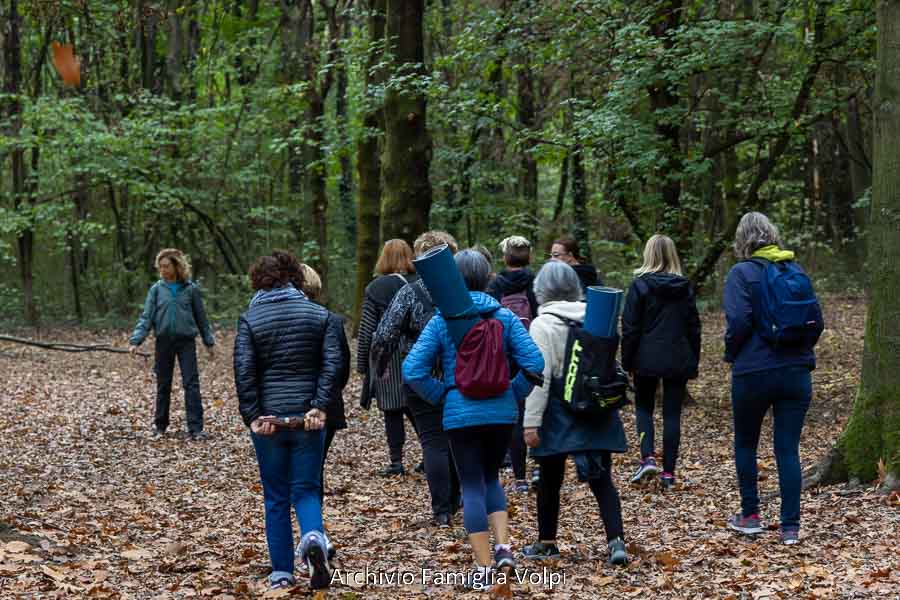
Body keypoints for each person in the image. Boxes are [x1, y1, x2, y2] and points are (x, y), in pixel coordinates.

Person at [403, 250, 544, 588]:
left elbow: (412, 370)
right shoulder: (505, 317)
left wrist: (443, 394)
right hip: (501, 413)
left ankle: (483, 569)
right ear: (487, 277)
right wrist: (513, 390)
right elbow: (536, 363)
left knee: (470, 485)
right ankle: (504, 549)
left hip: (460, 414)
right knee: (491, 478)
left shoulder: (442, 321)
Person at [234, 255, 343, 590]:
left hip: (270, 422)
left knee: (276, 496)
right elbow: (334, 364)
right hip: (308, 419)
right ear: (295, 278)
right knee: (307, 490)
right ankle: (313, 539)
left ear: (258, 281)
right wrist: (320, 407)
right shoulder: (321, 315)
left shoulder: (250, 319)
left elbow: (244, 371)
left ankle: (282, 571)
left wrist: (253, 416)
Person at [723, 212, 823, 545]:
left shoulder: (741, 273)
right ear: (771, 235)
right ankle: (790, 527)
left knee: (746, 443)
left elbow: (738, 322)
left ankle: (750, 515)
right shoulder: (794, 269)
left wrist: (731, 353)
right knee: (787, 449)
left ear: (742, 241)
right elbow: (814, 320)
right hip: (796, 372)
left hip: (753, 371)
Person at [520, 261, 628, 566]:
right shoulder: (596, 318)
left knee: (550, 480)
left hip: (557, 410)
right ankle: (616, 542)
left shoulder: (542, 325)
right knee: (602, 480)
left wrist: (530, 422)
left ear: (540, 290)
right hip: (595, 408)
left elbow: (539, 378)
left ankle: (547, 543)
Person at [372, 231, 461, 527]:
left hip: (422, 377)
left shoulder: (410, 292)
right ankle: (460, 499)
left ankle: (442, 511)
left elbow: (384, 334)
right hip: (462, 376)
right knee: (457, 439)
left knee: (433, 442)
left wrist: (381, 365)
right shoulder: (463, 288)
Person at [621, 234, 701, 489]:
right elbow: (694, 327)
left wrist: (627, 361)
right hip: (678, 356)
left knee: (644, 408)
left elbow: (630, 327)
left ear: (648, 254)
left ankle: (647, 457)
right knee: (671, 414)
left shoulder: (639, 286)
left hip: (645, 357)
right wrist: (693, 361)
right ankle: (669, 473)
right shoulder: (685, 286)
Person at [129, 248, 215, 440]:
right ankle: (160, 426)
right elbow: (147, 317)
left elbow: (202, 319)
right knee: (163, 384)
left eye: (166, 266)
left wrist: (209, 342)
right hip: (163, 342)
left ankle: (196, 428)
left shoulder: (191, 289)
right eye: (160, 266)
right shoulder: (157, 290)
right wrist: (136, 340)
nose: (163, 270)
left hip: (186, 342)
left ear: (177, 266)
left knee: (191, 384)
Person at [356, 239, 419, 476]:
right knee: (419, 407)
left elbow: (367, 330)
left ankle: (396, 461)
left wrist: (363, 364)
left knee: (392, 409)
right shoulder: (422, 283)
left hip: (388, 357)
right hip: (419, 352)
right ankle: (430, 453)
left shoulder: (376, 288)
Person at [487, 235, 539, 493]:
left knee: (515, 415)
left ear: (505, 257)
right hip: (532, 352)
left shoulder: (495, 285)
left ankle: (520, 478)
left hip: (505, 355)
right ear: (528, 257)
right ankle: (539, 465)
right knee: (537, 410)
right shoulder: (536, 282)